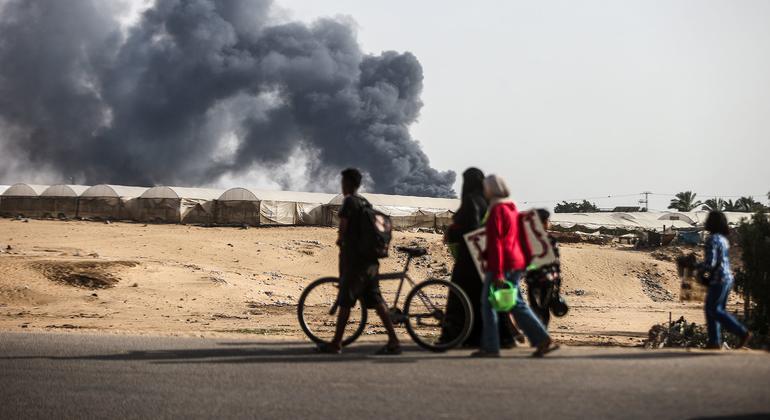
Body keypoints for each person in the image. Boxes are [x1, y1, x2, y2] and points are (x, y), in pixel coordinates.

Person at [472, 174, 558, 358]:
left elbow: (496, 243)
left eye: (486, 188)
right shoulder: (512, 208)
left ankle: (491, 347)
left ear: (491, 189)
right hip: (516, 262)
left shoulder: (496, 210)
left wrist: (498, 273)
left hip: (503, 264)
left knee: (488, 304)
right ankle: (542, 339)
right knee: (516, 303)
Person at [318, 168, 401, 355]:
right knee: (377, 301)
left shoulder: (349, 201)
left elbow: (343, 226)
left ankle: (336, 344)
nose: (342, 185)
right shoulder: (365, 202)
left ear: (348, 184)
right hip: (371, 261)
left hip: (356, 262)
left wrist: (341, 240)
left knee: (345, 301)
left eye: (343, 182)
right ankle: (394, 341)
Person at [441, 168, 519, 347]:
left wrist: (453, 232)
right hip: (483, 258)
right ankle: (499, 337)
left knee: (461, 299)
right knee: (484, 299)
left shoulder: (471, 201)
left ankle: (458, 336)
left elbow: (472, 230)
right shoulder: (487, 202)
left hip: (469, 260)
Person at [699, 211, 751, 350]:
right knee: (713, 309)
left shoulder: (712, 239)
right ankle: (714, 342)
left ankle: (741, 332)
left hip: (719, 279)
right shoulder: (723, 239)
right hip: (727, 278)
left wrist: (696, 266)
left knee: (713, 309)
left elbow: (711, 263)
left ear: (712, 223)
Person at [525, 209, 562, 327]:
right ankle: (542, 331)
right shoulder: (551, 240)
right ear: (544, 222)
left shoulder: (529, 239)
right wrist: (557, 280)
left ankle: (538, 332)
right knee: (544, 309)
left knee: (534, 307)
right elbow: (555, 262)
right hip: (547, 280)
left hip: (533, 279)